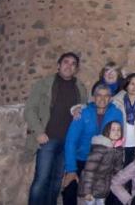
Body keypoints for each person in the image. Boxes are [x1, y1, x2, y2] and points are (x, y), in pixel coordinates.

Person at [26, 52, 89, 205]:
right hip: (48, 139)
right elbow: (30, 109)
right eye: (66, 62)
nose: (69, 66)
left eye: (73, 64)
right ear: (58, 65)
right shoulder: (45, 84)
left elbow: (82, 110)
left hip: (68, 142)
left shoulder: (79, 87)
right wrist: (39, 132)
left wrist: (79, 110)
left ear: (76, 69)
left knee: (56, 182)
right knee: (41, 180)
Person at [63, 84, 124, 205]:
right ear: (93, 97)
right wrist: (71, 169)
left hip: (105, 161)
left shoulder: (116, 113)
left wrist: (116, 168)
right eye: (99, 95)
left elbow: (118, 139)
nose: (102, 99)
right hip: (82, 159)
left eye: (106, 96)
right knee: (69, 187)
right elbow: (71, 141)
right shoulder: (82, 113)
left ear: (111, 98)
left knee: (115, 190)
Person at [80, 121, 125, 205]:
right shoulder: (100, 148)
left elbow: (118, 170)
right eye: (113, 129)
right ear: (107, 131)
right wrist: (87, 191)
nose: (117, 132)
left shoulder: (118, 150)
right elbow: (89, 171)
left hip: (103, 189)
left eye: (119, 130)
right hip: (91, 188)